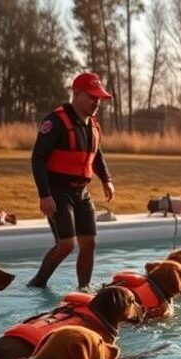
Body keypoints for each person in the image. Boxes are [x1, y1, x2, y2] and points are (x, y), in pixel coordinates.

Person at [28, 73, 116, 289]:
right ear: (76, 94)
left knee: (89, 243)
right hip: (57, 191)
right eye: (92, 97)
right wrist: (45, 195)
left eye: (99, 98)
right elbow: (38, 158)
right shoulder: (55, 121)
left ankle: (84, 290)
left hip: (81, 191)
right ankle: (37, 284)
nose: (96, 102)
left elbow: (97, 155)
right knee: (66, 243)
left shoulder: (93, 125)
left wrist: (106, 180)